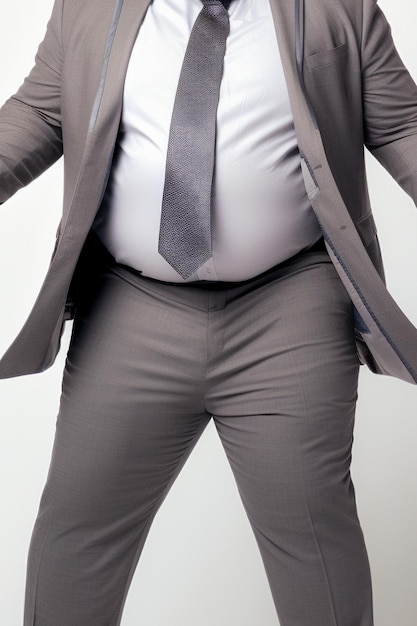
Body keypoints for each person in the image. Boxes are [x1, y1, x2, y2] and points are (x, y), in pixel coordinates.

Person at [1, 0, 417, 624]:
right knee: (76, 533)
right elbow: (41, 110)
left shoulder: (341, 7)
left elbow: (401, 126)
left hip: (290, 305)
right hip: (130, 307)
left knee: (313, 536)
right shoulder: (89, 7)